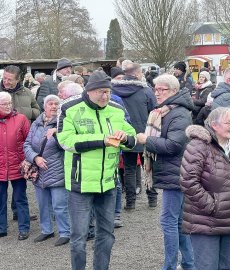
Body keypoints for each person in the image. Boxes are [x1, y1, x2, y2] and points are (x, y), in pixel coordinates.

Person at [57, 70, 136, 270]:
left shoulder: (116, 110)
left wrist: (125, 138)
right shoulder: (70, 108)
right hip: (80, 183)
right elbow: (65, 141)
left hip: (108, 183)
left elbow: (132, 137)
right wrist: (102, 141)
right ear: (89, 91)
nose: (105, 96)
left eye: (108, 92)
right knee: (79, 237)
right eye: (101, 92)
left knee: (107, 234)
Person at [180, 107, 230, 269]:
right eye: (228, 122)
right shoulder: (198, 146)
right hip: (206, 220)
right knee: (207, 266)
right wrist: (212, 205)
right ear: (214, 125)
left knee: (226, 267)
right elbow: (188, 181)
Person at [136, 74, 195, 270]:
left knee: (169, 221)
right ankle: (188, 263)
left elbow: (173, 145)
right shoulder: (165, 111)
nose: (158, 93)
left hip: (176, 173)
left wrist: (147, 140)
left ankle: (170, 265)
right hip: (175, 172)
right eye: (156, 89)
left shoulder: (179, 113)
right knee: (178, 222)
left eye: (163, 89)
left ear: (174, 92)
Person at [23, 95, 71, 246]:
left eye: (57, 104)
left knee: (59, 204)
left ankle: (65, 232)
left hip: (56, 169)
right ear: (44, 106)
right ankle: (46, 230)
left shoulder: (62, 124)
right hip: (39, 171)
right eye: (51, 104)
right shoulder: (36, 124)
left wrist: (57, 133)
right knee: (42, 204)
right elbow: (27, 145)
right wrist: (35, 157)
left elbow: (66, 145)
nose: (54, 106)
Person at [112, 62, 158, 210]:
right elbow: (154, 111)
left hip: (125, 135)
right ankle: (152, 198)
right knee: (150, 167)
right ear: (138, 74)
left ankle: (130, 202)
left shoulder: (115, 90)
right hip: (146, 134)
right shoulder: (146, 91)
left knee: (129, 168)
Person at [0, 92, 31, 240]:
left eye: (9, 103)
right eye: (4, 104)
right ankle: (1, 228)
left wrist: (26, 160)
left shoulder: (21, 119)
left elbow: (29, 141)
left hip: (18, 165)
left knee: (20, 198)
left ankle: (24, 228)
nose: (8, 106)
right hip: (0, 167)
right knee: (1, 199)